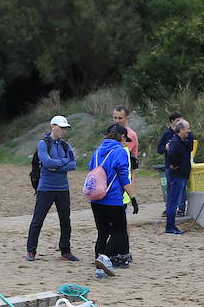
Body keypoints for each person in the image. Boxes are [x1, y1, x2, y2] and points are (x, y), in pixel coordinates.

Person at [26, 115, 79, 262]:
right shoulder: (43, 144)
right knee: (37, 220)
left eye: (65, 128)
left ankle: (65, 251)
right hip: (46, 188)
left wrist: (58, 165)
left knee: (65, 221)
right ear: (52, 126)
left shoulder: (65, 145)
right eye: (61, 127)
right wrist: (63, 162)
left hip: (63, 189)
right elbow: (47, 163)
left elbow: (73, 164)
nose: (63, 130)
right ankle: (31, 251)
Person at [88, 124, 137, 276]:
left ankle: (99, 260)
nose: (125, 142)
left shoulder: (97, 152)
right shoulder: (120, 152)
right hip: (113, 199)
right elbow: (124, 177)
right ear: (121, 137)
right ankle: (104, 259)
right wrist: (133, 197)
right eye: (125, 139)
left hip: (96, 198)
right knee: (119, 232)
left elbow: (91, 169)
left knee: (102, 232)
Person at [162, 119, 192, 235]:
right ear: (181, 130)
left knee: (173, 200)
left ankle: (171, 225)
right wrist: (175, 165)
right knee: (173, 201)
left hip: (181, 174)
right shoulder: (176, 142)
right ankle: (170, 225)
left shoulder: (182, 141)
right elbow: (171, 153)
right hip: (177, 175)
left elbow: (189, 147)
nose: (189, 131)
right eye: (187, 128)